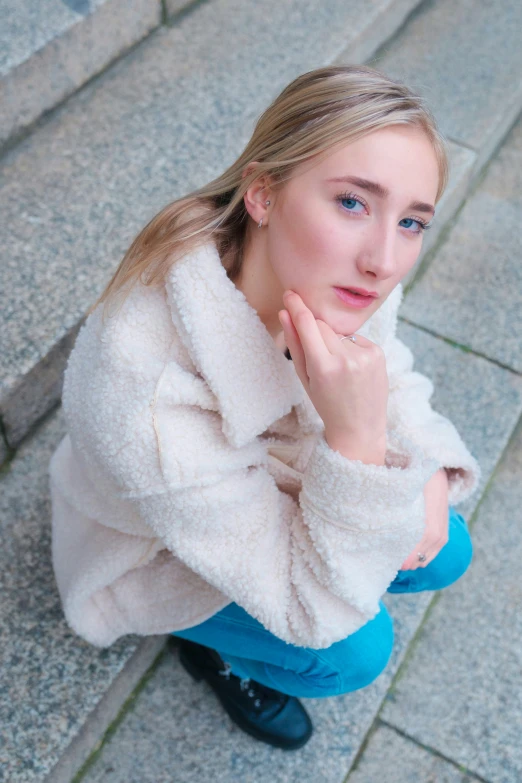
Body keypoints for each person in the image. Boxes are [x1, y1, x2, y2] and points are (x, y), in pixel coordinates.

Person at [48, 64, 481, 752]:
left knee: (446, 545)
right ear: (262, 194)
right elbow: (311, 606)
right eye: (351, 201)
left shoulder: (333, 269)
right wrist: (360, 442)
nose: (384, 258)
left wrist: (417, 460)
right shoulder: (145, 388)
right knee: (351, 649)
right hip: (158, 543)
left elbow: (385, 368)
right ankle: (217, 653)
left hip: (269, 479)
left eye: (411, 221)